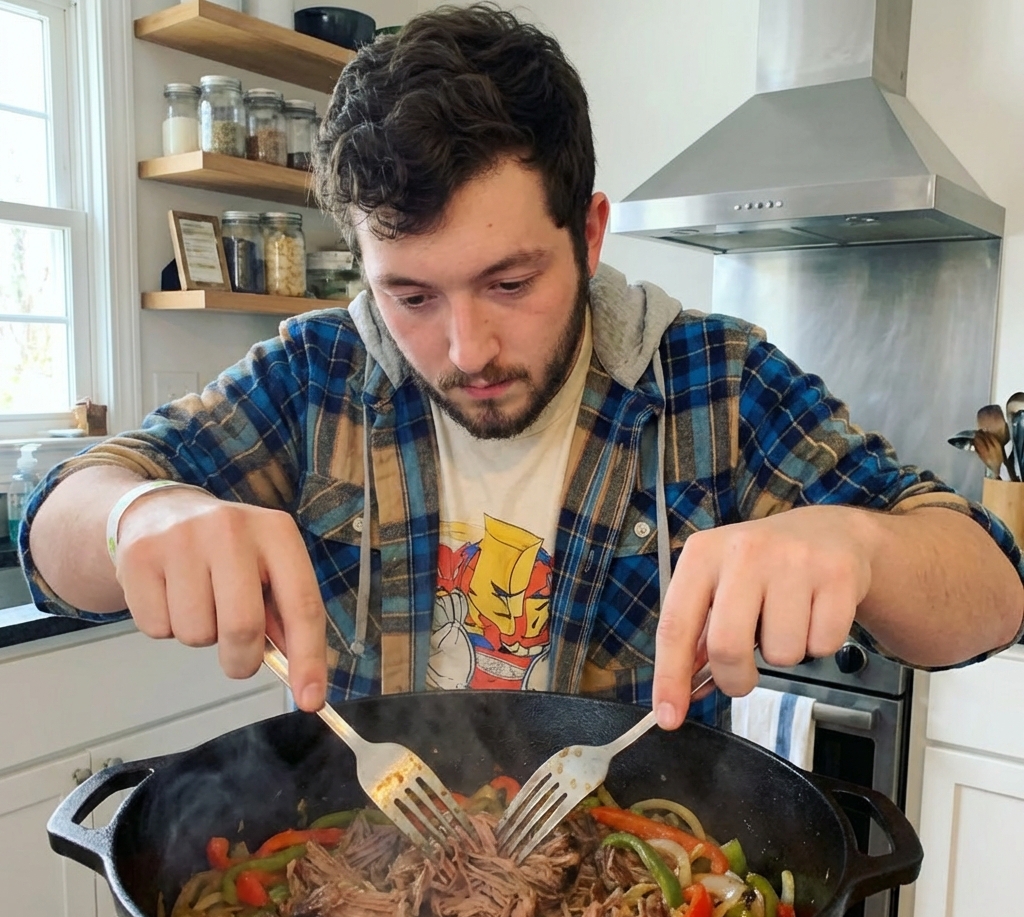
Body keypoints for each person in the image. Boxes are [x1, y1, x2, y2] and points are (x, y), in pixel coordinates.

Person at [21, 5, 1024, 731]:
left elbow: (992, 592)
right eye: (410, 295)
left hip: (630, 904)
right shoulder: (319, 372)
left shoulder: (711, 380)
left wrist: (859, 544)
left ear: (588, 236)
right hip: (379, 885)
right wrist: (135, 515)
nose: (465, 351)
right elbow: (59, 532)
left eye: (508, 282)